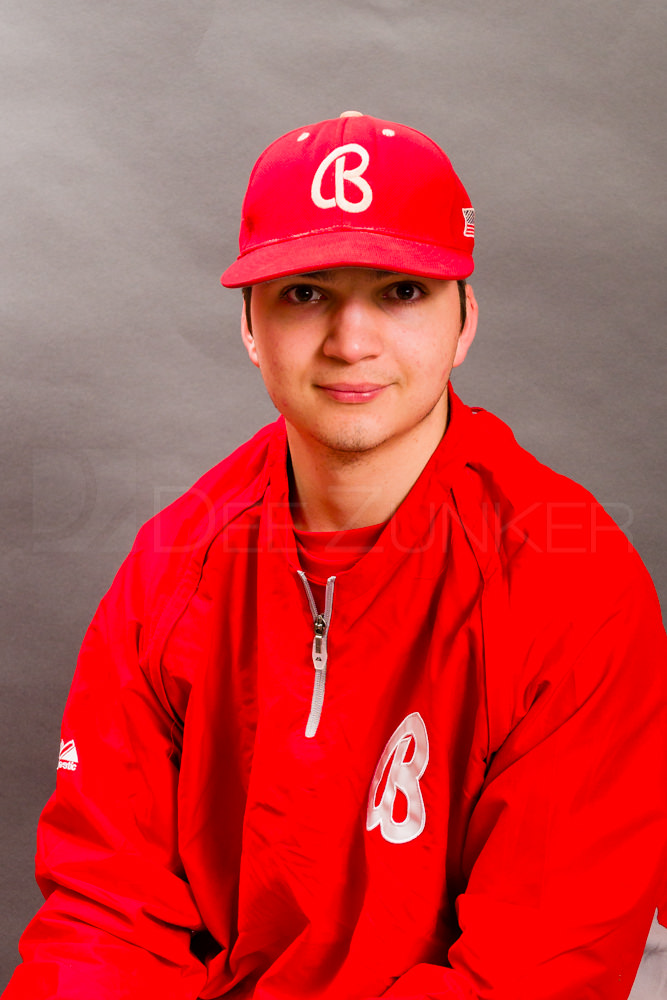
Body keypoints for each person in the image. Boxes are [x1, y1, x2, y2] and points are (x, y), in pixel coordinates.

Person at [4, 111, 667, 1000]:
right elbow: (104, 913)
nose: (350, 342)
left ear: (465, 319)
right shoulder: (174, 564)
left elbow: (537, 969)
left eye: (400, 291)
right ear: (249, 326)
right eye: (305, 293)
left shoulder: (571, 582)